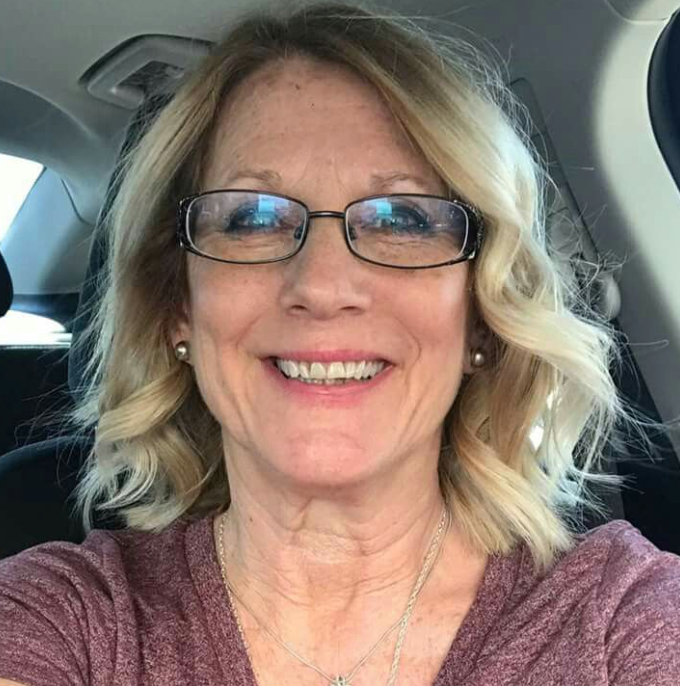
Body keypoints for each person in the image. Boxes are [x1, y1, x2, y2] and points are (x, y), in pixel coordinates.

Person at [1, 3, 679, 685]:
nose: (323, 286)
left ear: (480, 314)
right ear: (177, 304)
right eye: (251, 218)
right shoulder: (63, 619)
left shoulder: (626, 618)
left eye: (403, 219)